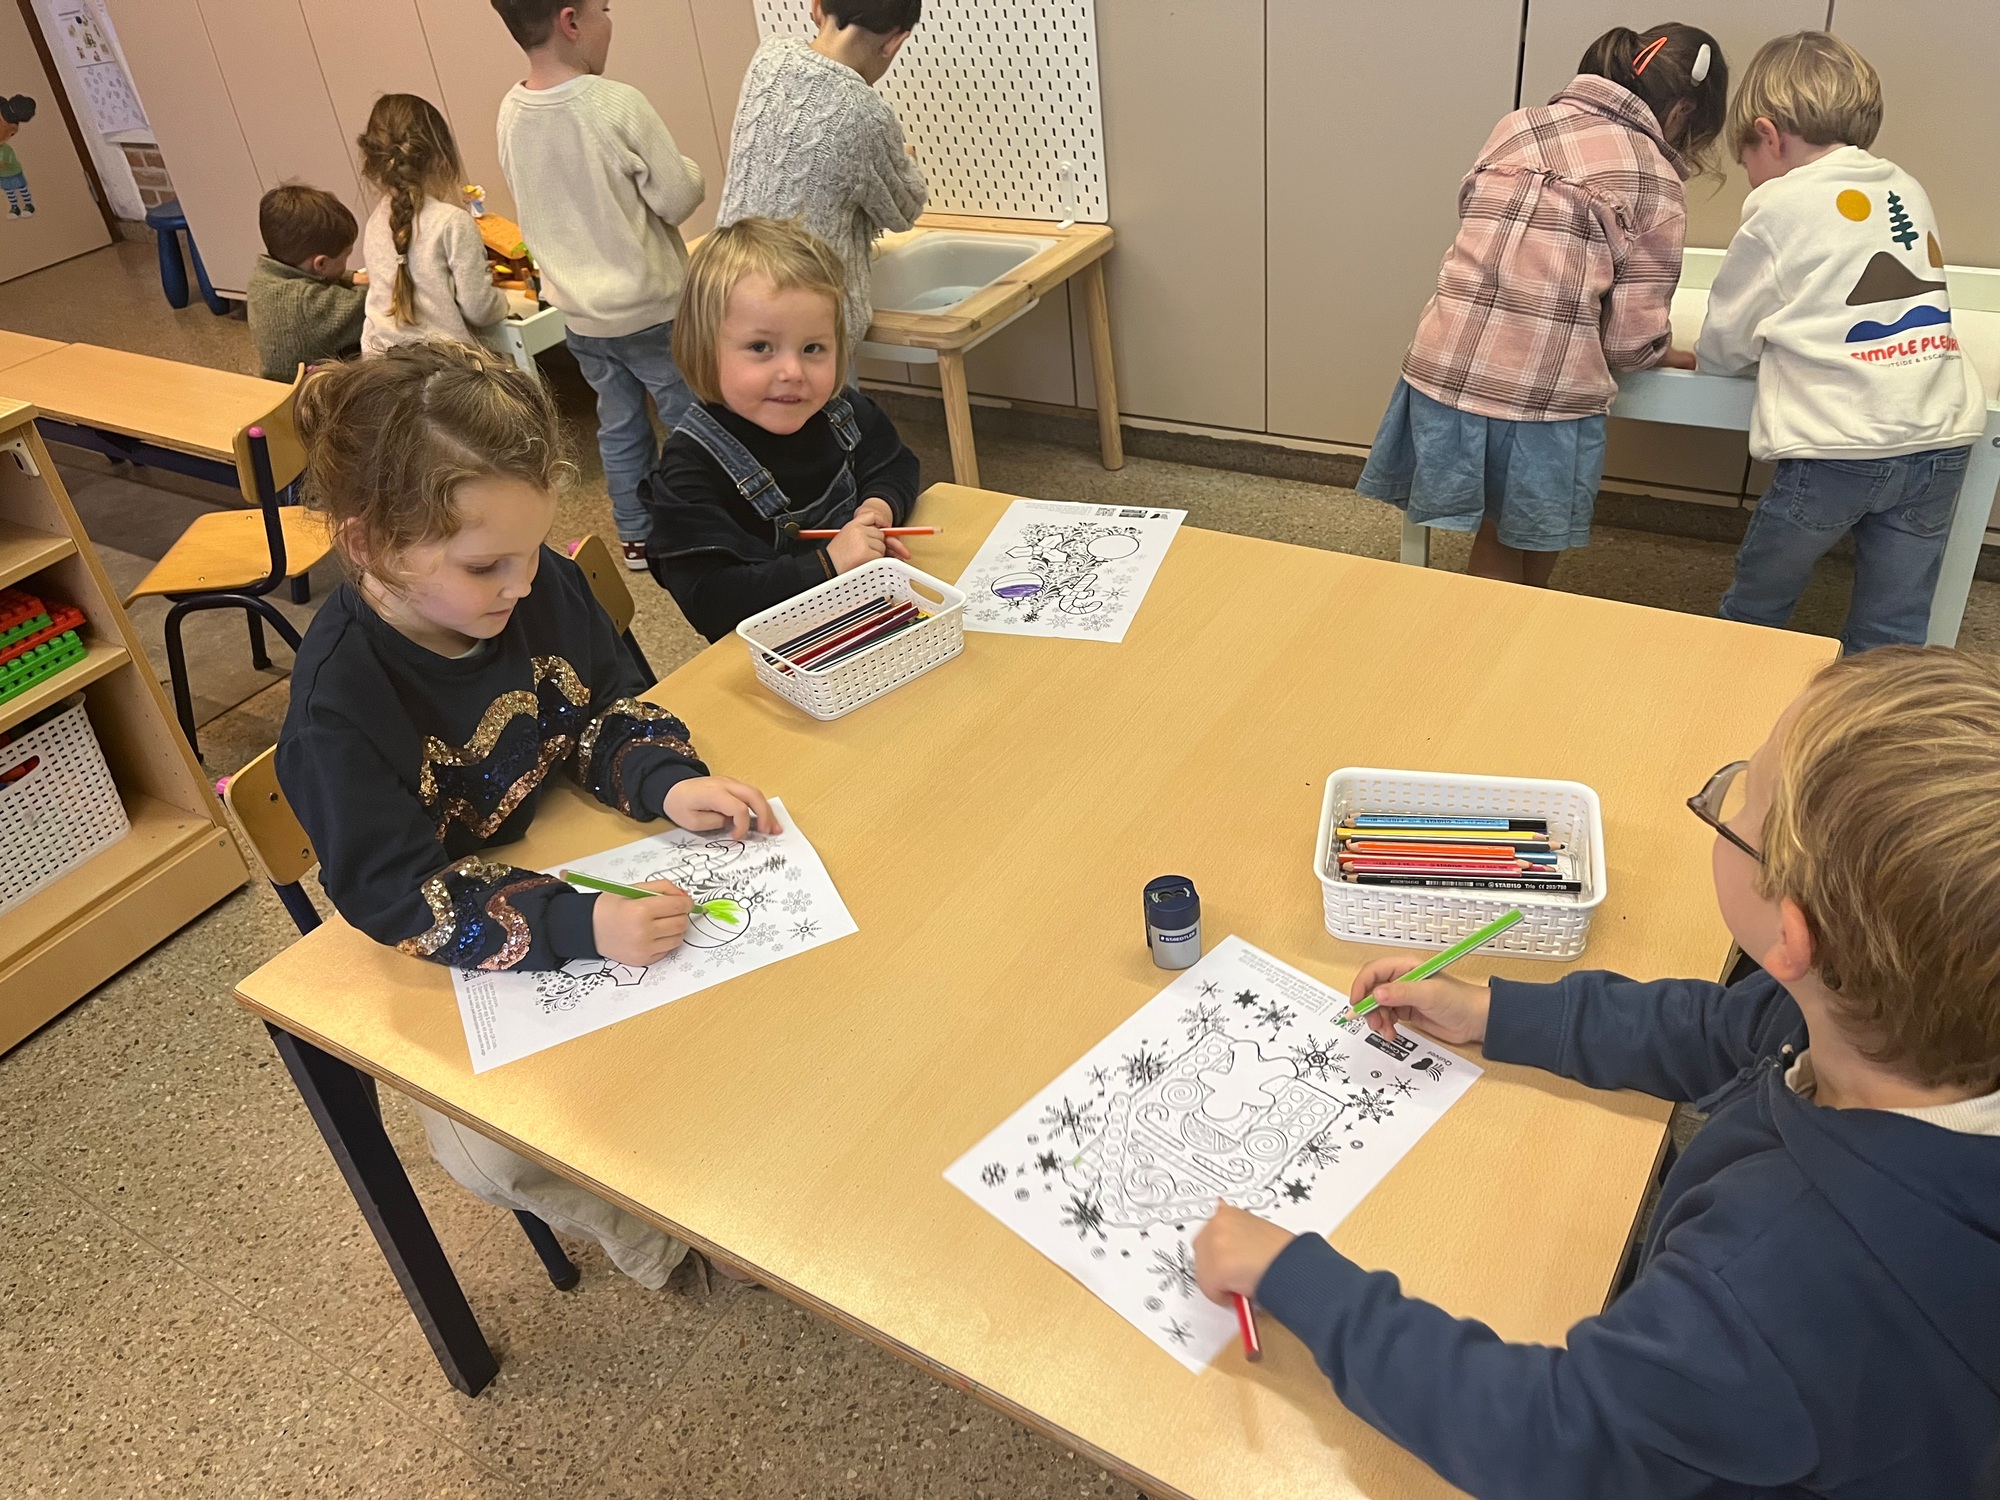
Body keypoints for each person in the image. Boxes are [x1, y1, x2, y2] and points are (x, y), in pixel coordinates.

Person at [1194, 644, 2000, 1498]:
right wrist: (1495, 1013)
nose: (1723, 801)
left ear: (1789, 939)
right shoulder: (1881, 1018)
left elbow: (1544, 1441)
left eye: (1737, 804)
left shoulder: (1771, 1279)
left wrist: (1297, 1278)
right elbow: (1714, 1029)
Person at [277, 340, 778, 1287]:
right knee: (490, 1155)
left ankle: (723, 1164)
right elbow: (401, 897)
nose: (522, 585)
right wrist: (580, 924)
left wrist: (663, 780)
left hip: (567, 854)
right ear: (368, 545)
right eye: (485, 566)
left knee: (723, 997)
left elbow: (604, 704)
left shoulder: (535, 581)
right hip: (452, 945)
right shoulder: (337, 710)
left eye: (531, 551)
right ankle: (665, 1247)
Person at [1355, 25, 1727, 587]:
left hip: (1439, 366)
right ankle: (1506, 627)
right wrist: (1660, 352)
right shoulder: (1655, 178)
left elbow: (1480, 223)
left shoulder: (1518, 125)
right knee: (1521, 535)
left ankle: (1492, 621)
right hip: (1540, 398)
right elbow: (1628, 343)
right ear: (1682, 110)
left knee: (1494, 531)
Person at [1697, 32, 1986, 653]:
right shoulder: (1904, 186)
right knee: (1894, 626)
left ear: (1768, 135)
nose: (1752, 179)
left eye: (1747, 162)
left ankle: (1730, 682)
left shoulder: (1779, 203)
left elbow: (1726, 336)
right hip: (1938, 437)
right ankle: (1877, 707)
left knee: (1760, 598)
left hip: (1838, 445)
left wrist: (1719, 357)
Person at [494, 0, 708, 570]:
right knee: (690, 421)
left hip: (581, 318)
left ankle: (635, 537)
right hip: (654, 312)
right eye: (605, 9)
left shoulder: (511, 111)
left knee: (619, 425)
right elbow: (678, 197)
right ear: (571, 22)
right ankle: (700, 527)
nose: (610, 22)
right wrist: (689, 168)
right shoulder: (616, 103)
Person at [641, 217, 920, 643]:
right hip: (775, 655)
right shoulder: (690, 466)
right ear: (705, 348)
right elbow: (709, 601)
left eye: (813, 348)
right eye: (761, 347)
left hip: (870, 619)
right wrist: (828, 563)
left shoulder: (840, 411)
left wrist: (877, 509)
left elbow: (895, 463)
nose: (792, 372)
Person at [717, 0, 928, 356]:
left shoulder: (769, 58)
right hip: (810, 331)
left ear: (816, 7)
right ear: (895, 42)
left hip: (732, 301)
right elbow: (904, 209)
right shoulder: (864, 111)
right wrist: (906, 159)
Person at [356, 93, 525, 358]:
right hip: (444, 367)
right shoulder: (452, 222)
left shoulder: (375, 222)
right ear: (440, 159)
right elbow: (480, 309)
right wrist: (501, 302)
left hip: (380, 364)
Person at [246, 184, 366, 380]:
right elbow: (367, 304)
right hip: (310, 392)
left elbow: (314, 277)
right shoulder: (305, 304)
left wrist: (349, 276)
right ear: (320, 263)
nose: (346, 263)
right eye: (346, 256)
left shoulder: (262, 278)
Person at [0, 95, 36, 216]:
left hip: (12, 174)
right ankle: (15, 207)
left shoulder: (6, 150)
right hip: (5, 176)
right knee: (10, 190)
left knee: (19, 188)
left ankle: (27, 205)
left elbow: (8, 163)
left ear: (12, 132)